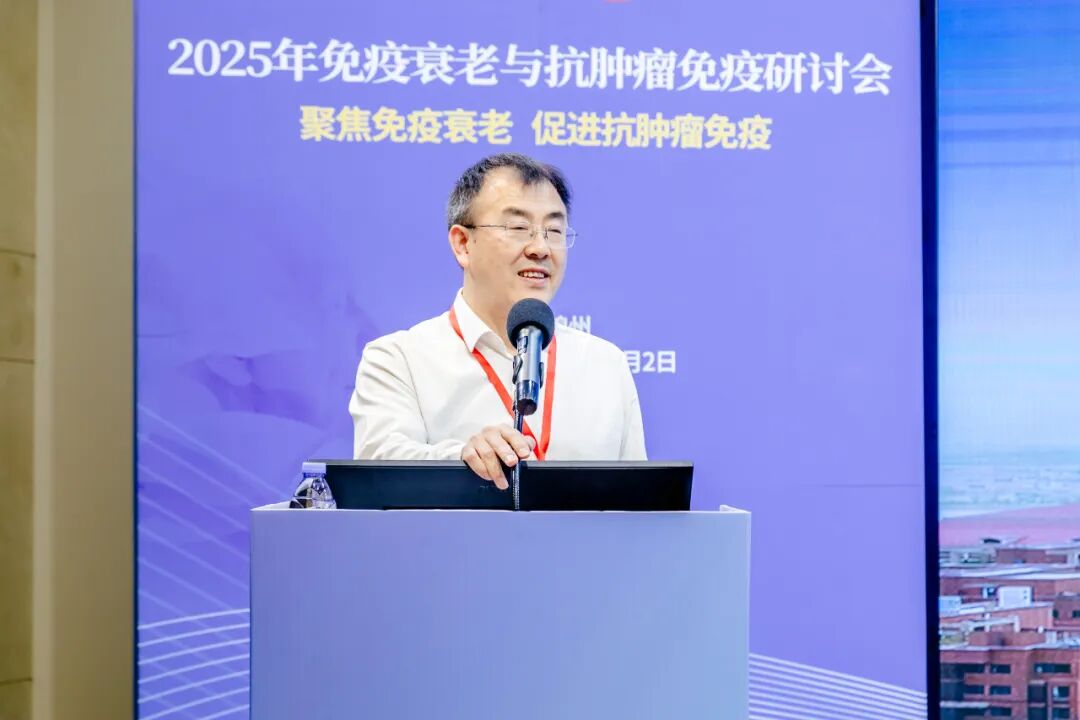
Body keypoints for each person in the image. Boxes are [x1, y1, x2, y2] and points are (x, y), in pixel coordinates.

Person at [349, 153, 646, 488]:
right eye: (518, 228)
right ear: (463, 244)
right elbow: (380, 471)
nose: (540, 248)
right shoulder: (398, 360)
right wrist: (464, 458)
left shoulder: (605, 364)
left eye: (554, 230)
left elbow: (640, 501)